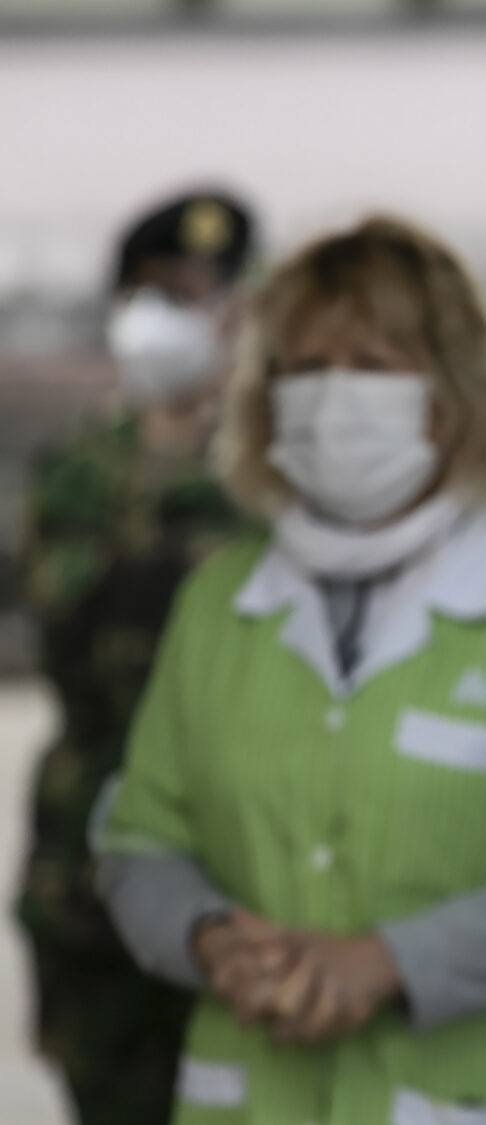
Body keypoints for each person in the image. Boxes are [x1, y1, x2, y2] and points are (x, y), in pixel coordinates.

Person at [94, 215, 486, 1124]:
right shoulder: (218, 598)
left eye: (370, 365)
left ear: (454, 390)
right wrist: (211, 940)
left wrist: (385, 961)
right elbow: (137, 840)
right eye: (306, 369)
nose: (334, 397)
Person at [16, 189, 255, 1125]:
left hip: (242, 855)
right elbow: (68, 617)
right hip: (88, 862)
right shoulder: (79, 470)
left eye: (204, 297)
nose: (179, 322)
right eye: (161, 296)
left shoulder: (280, 475)